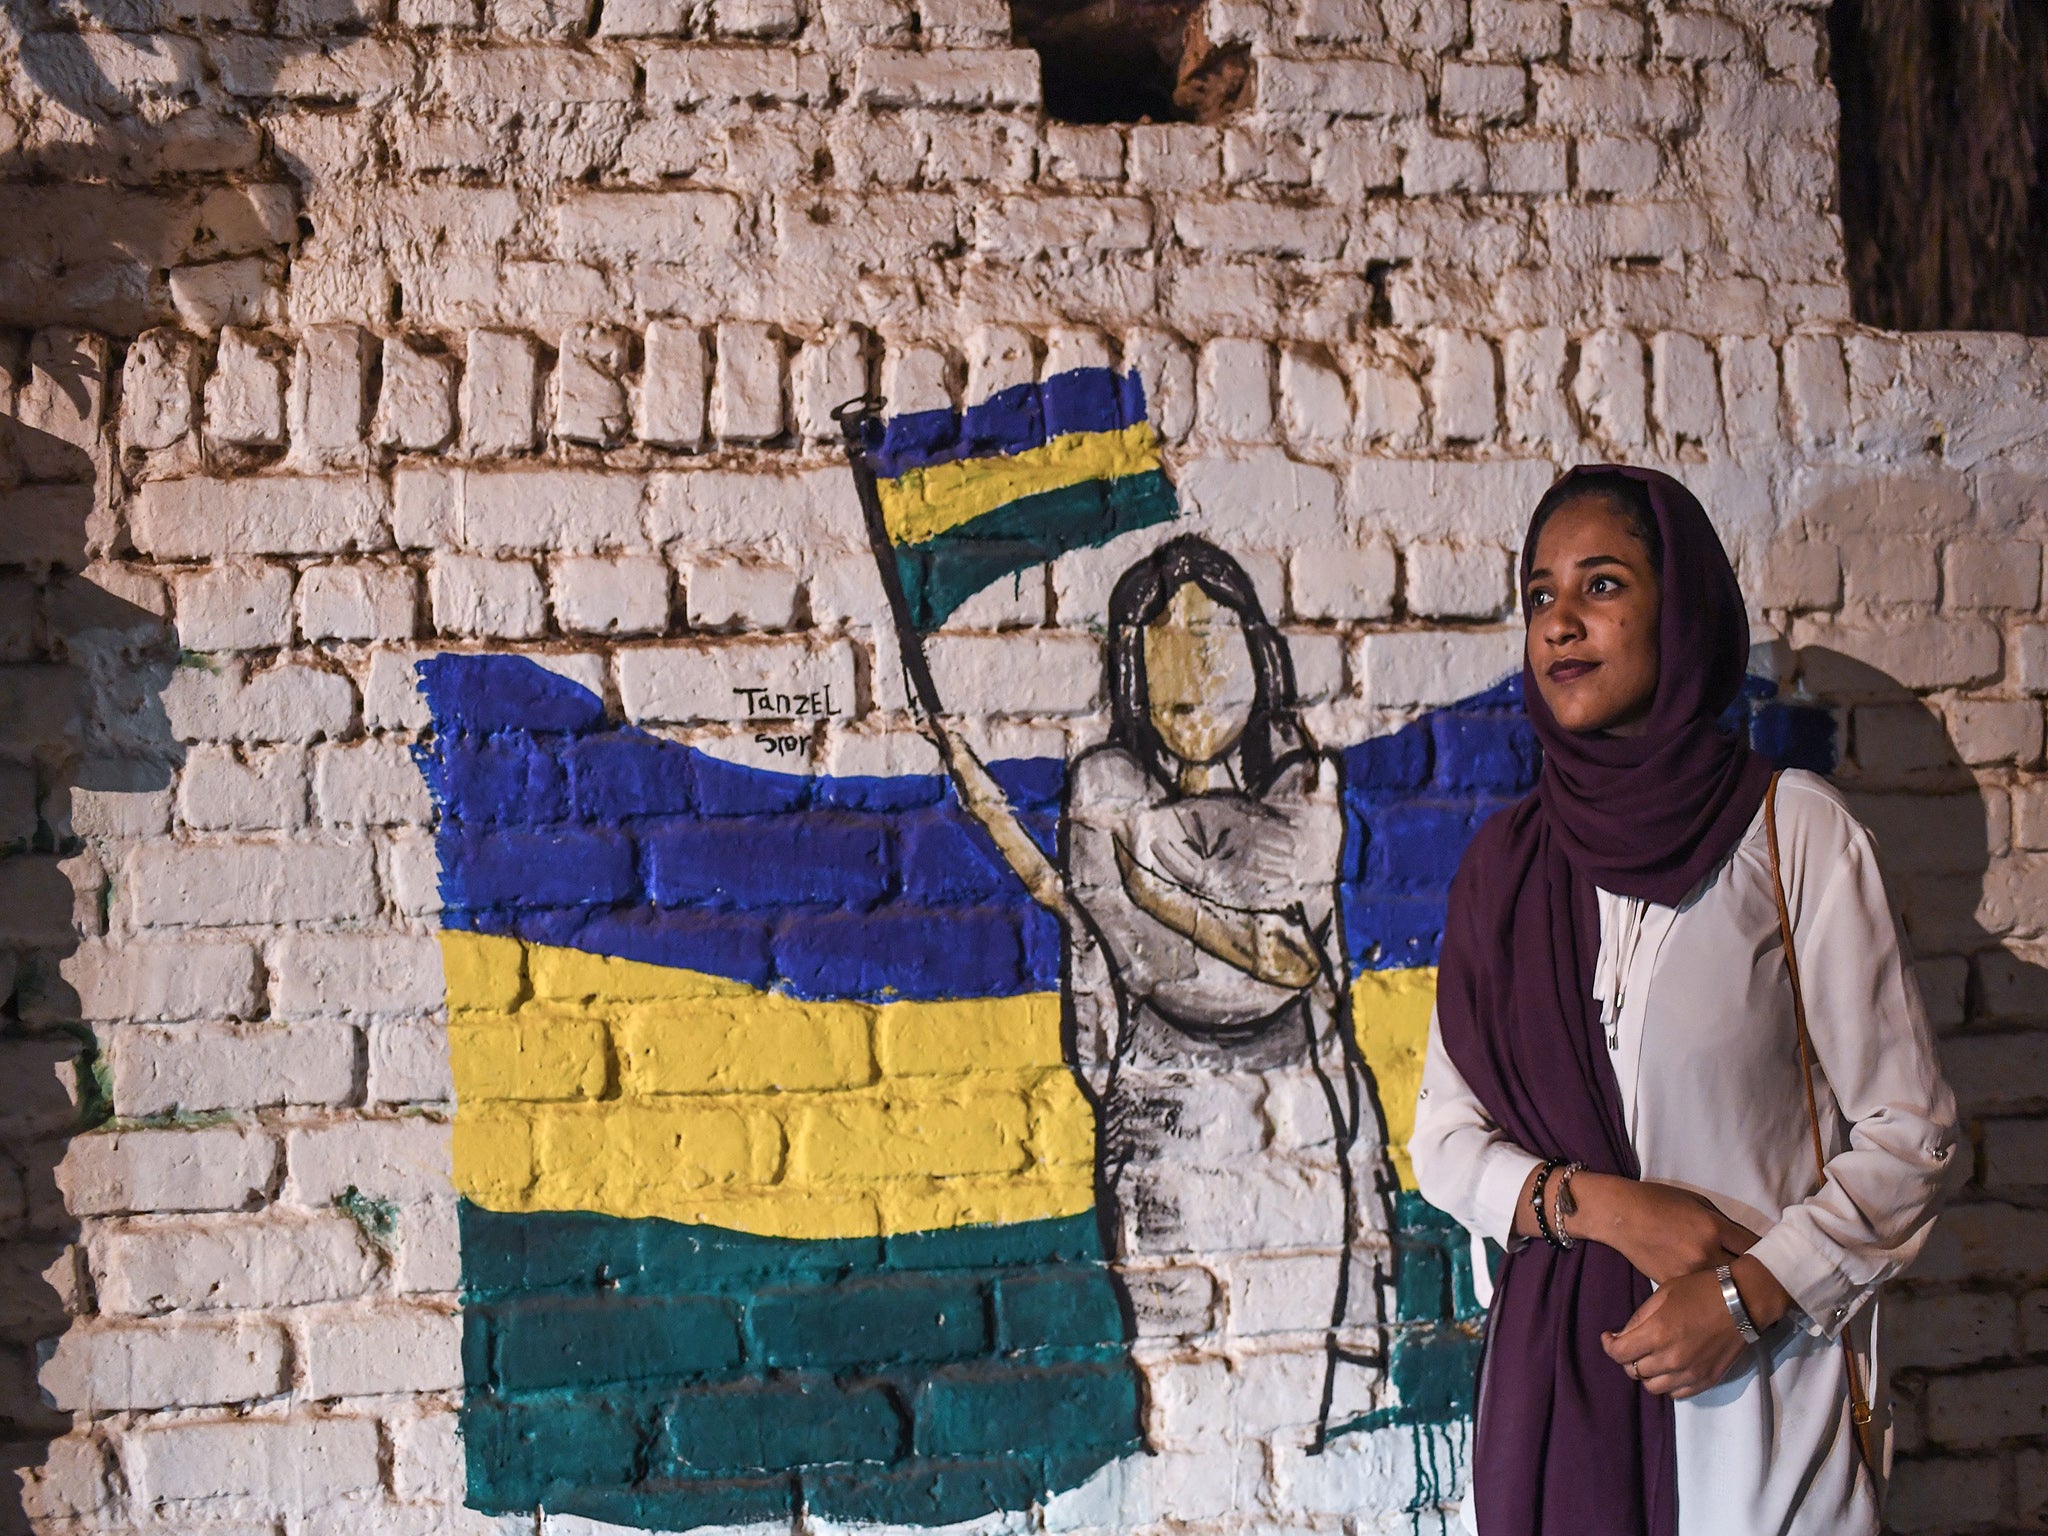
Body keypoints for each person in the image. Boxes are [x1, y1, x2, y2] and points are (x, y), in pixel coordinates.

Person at [1407, 466, 1964, 1536]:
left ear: (1683, 611)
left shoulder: (1789, 833)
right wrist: (1607, 1208)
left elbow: (1913, 1138)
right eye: (1537, 596)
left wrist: (1746, 1294)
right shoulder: (1504, 867)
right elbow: (1443, 1141)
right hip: (1556, 1407)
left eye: (1601, 585)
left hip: (1760, 1408)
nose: (1559, 622)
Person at [937, 534, 1395, 1449]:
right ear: (1132, 666)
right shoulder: (1102, 783)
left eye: (1212, 639)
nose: (1191, 668)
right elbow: (1120, 970)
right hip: (1157, 1127)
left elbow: (1294, 949)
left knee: (1289, 1392)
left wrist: (1146, 873)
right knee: (1181, 1398)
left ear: (1259, 658)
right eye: (1163, 643)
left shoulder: (1306, 789)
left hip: (1294, 1126)